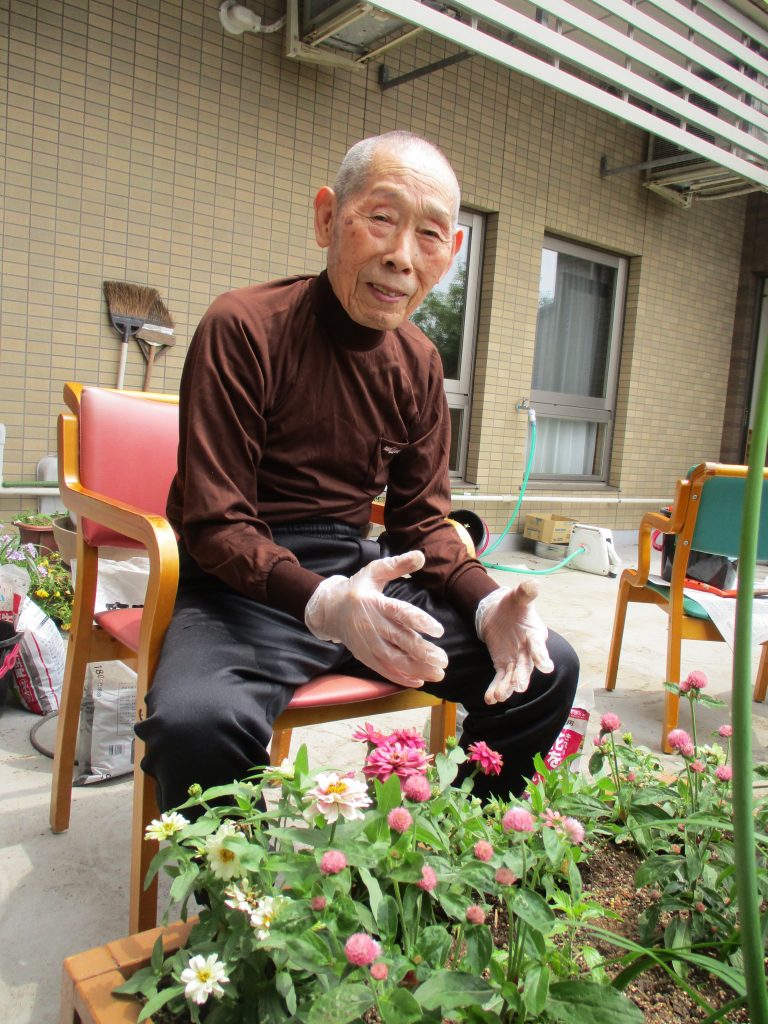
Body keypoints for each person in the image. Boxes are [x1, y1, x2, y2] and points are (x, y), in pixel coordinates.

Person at [136, 131, 579, 809]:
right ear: (326, 218)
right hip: (245, 589)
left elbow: (421, 522)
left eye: (429, 234)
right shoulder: (245, 326)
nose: (401, 256)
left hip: (361, 572)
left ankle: (458, 846)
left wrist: (488, 604)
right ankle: (244, 879)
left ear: (452, 252)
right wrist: (322, 604)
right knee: (195, 724)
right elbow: (216, 523)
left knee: (543, 668)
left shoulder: (419, 362)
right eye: (381, 217)